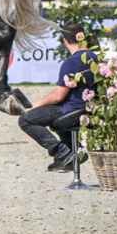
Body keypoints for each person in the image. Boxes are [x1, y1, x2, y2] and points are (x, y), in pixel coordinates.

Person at [18, 21, 96, 171]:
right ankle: (71, 151)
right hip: (88, 107)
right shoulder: (94, 57)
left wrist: (37, 103)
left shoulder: (71, 62)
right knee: (48, 111)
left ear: (65, 41)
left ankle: (61, 152)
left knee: (26, 119)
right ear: (83, 37)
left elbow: (58, 97)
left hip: (72, 108)